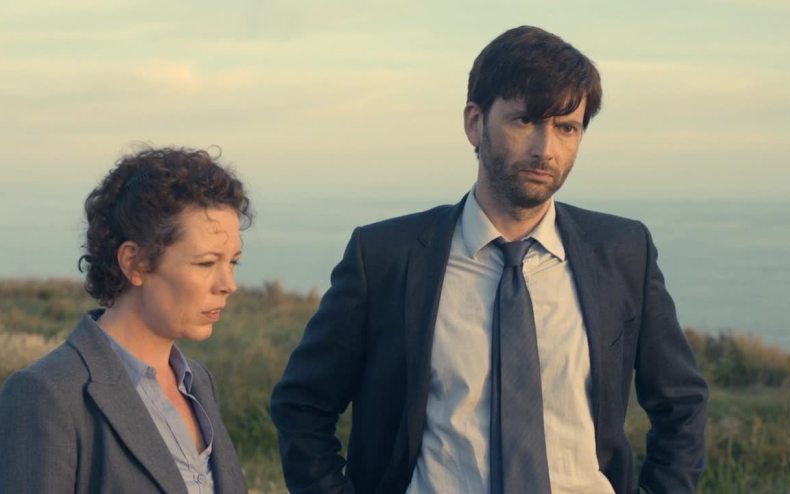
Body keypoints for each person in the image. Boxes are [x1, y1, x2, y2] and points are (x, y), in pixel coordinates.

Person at [270, 25, 709, 494]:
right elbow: (303, 404)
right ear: (475, 123)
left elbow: (681, 404)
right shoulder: (384, 258)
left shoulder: (623, 252)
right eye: (525, 121)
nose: (546, 149)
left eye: (567, 128)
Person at [0, 148, 251, 493]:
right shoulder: (47, 394)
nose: (228, 284)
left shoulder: (198, 382)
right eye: (206, 263)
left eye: (233, 262)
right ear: (134, 262)